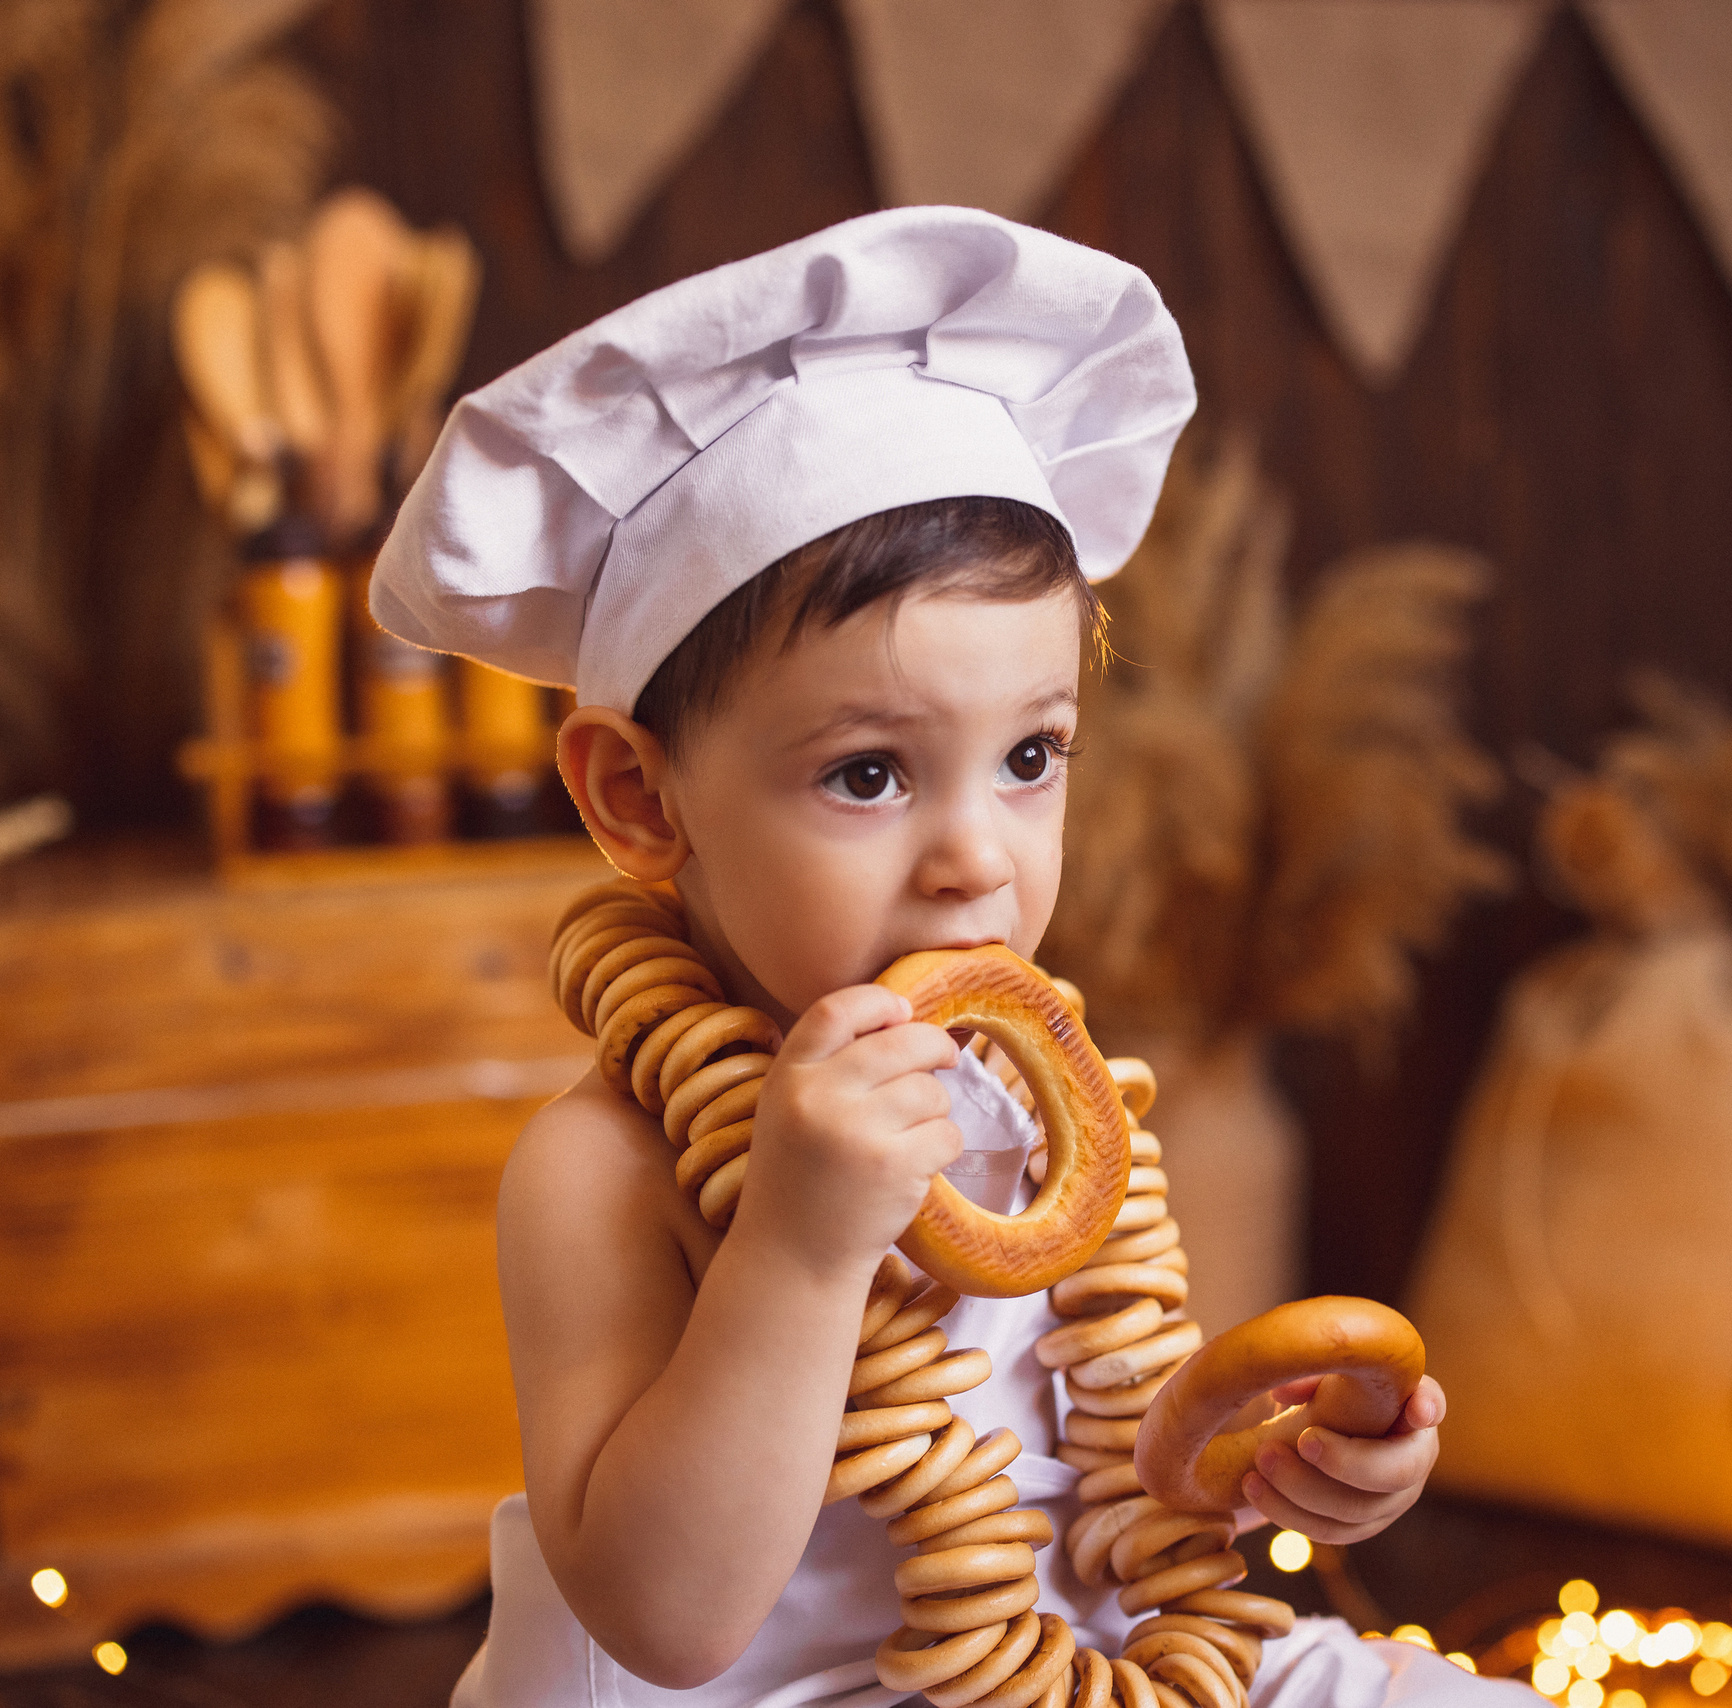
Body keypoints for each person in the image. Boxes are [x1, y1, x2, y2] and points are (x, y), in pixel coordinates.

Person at [372, 208, 1520, 1708]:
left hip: (1063, 1661)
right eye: (869, 775)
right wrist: (795, 1244)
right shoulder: (599, 1171)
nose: (980, 853)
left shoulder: (1037, 1104)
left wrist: (1259, 1467)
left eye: (1033, 753)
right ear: (639, 798)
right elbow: (668, 1617)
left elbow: (1084, 1466)